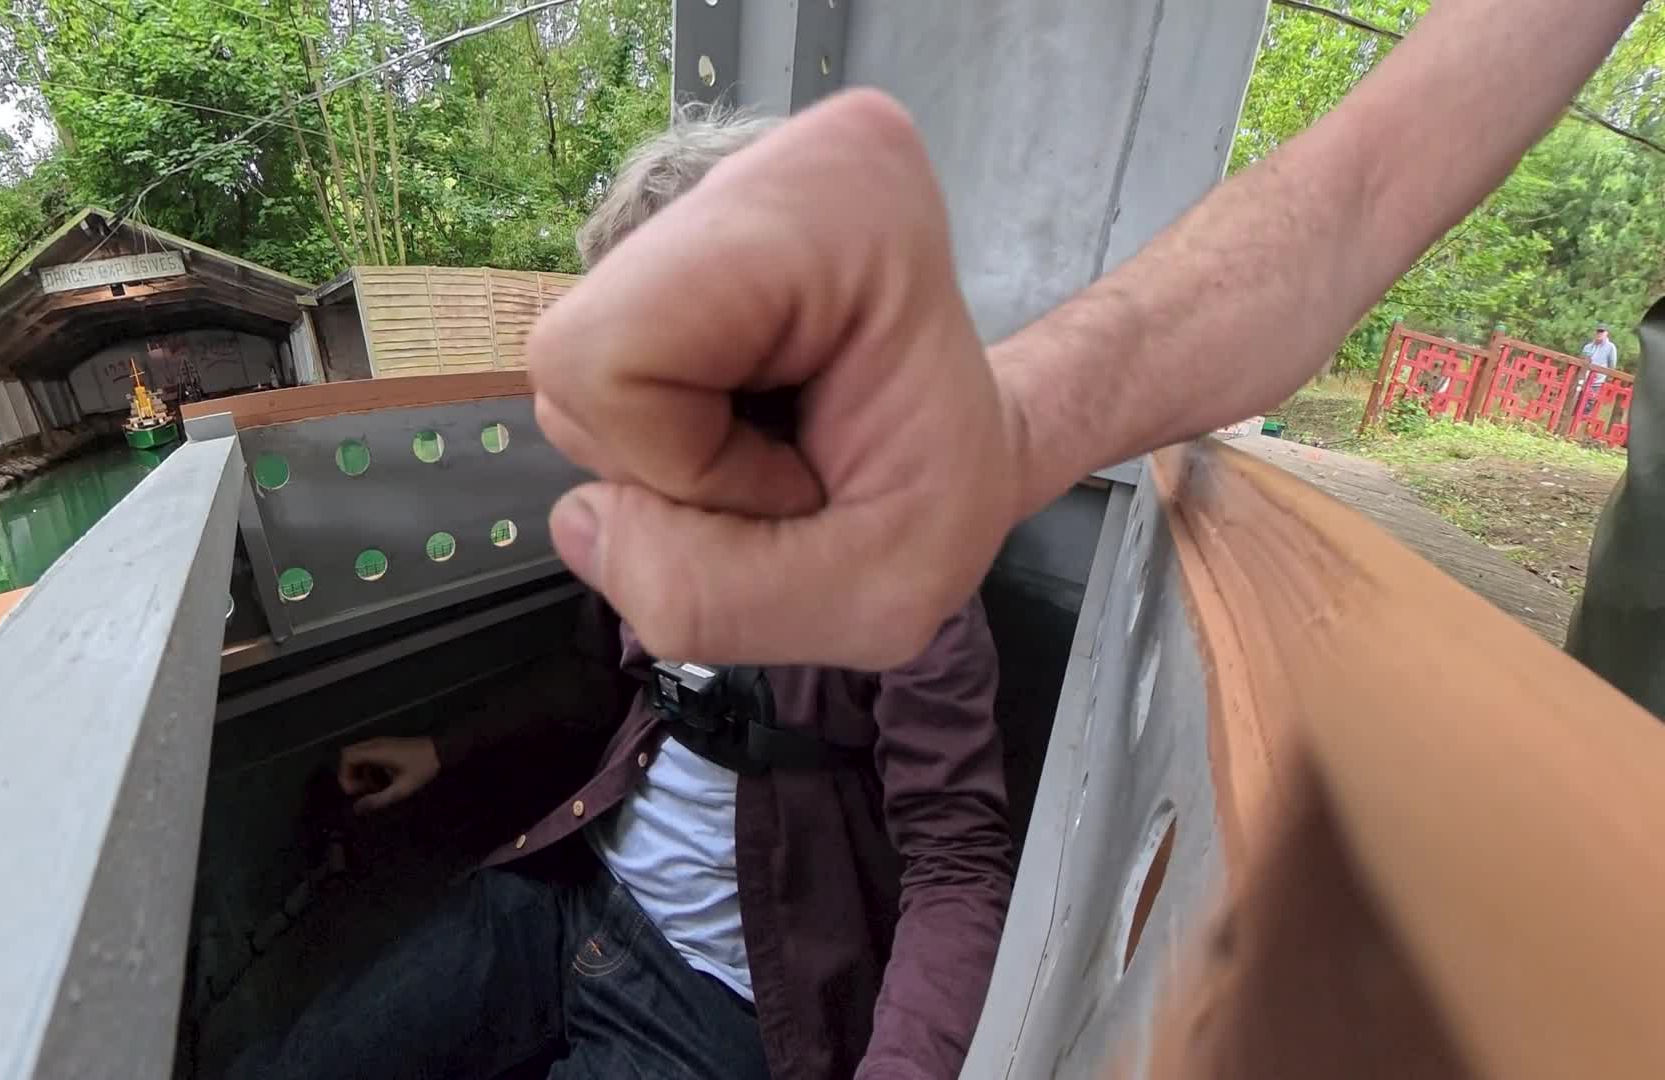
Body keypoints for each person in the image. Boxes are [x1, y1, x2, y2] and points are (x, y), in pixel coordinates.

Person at [524, 0, 1652, 674]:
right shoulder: (674, 515)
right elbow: (1352, 194)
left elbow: (953, 853)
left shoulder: (894, 604)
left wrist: (1004, 431)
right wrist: (1005, 430)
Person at [239, 111, 1014, 1080]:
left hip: (723, 999)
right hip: (571, 888)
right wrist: (444, 747)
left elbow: (957, 865)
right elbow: (592, 676)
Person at [1578, 324, 1620, 418]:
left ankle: (1582, 422)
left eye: (1602, 331)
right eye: (1598, 331)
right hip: (1584, 379)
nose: (1599, 333)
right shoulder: (1588, 347)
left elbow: (1612, 365)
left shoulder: (1610, 347)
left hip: (1597, 381)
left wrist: (1606, 378)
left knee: (1589, 403)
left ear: (1607, 333)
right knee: (1578, 400)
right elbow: (1582, 360)